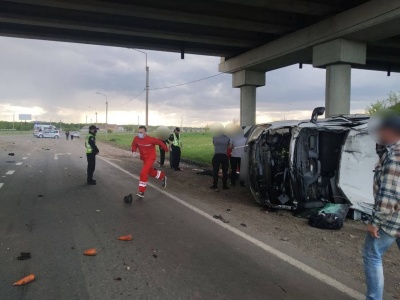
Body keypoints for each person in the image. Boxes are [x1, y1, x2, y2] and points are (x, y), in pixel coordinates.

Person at [363, 114, 400, 300]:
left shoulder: (394, 157)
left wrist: (375, 222)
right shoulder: (391, 151)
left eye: (381, 131)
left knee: (372, 254)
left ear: (390, 132)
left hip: (392, 219)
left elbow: (388, 195)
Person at [131, 126, 169, 198]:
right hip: (144, 158)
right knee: (150, 172)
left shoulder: (150, 139)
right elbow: (134, 145)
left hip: (151, 158)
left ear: (146, 132)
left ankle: (141, 191)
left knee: (143, 172)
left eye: (141, 132)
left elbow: (160, 142)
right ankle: (163, 176)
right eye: (138, 132)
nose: (139, 134)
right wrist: (133, 151)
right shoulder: (136, 139)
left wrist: (166, 149)